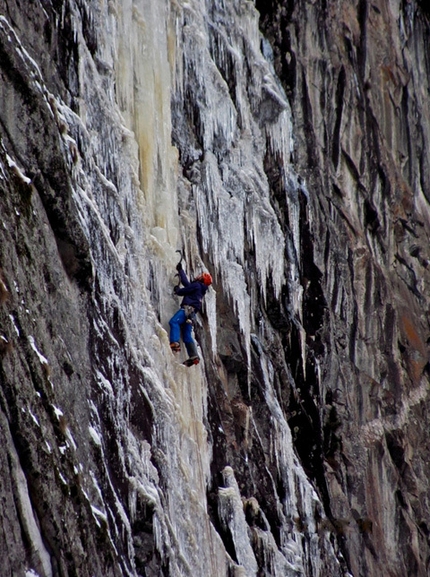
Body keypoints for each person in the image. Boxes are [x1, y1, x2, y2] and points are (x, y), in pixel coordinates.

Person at [169, 261, 212, 366]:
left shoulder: (197, 285)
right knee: (187, 334)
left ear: (201, 279)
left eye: (201, 276)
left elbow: (185, 290)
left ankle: (175, 342)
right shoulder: (200, 289)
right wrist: (180, 270)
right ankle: (194, 356)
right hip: (192, 315)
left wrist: (178, 291)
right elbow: (187, 284)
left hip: (186, 310)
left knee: (173, 322)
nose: (198, 276)